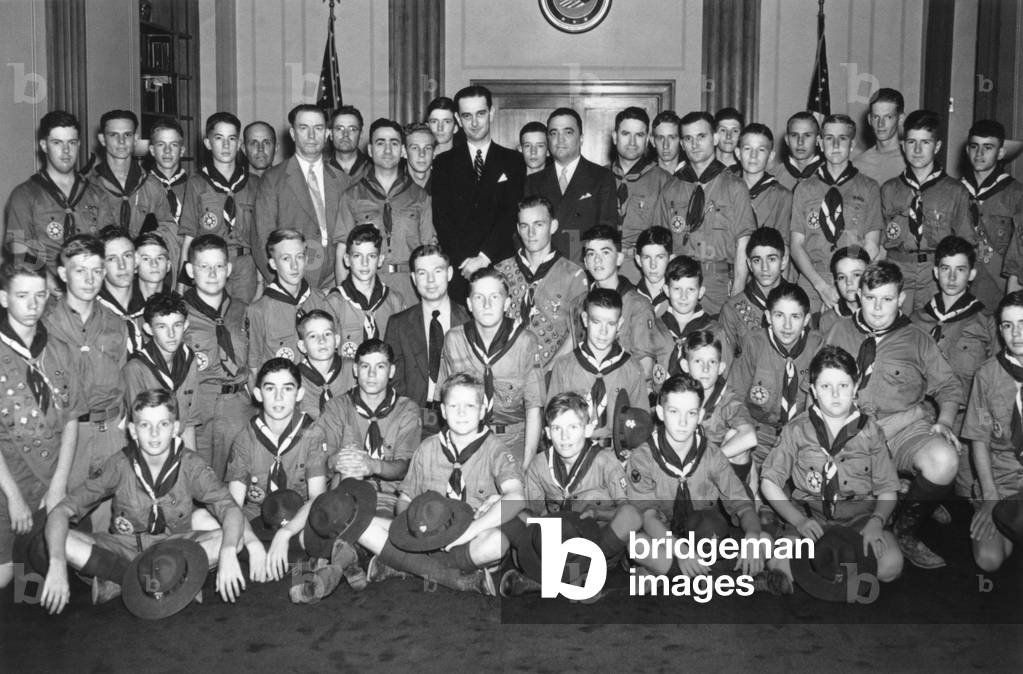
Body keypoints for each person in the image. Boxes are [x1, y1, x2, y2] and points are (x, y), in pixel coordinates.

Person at [39, 389, 248, 614]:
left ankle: (118, 581)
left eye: (163, 424)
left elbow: (230, 508)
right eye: (145, 425)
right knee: (63, 540)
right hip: (124, 547)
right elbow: (61, 512)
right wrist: (57, 563)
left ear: (176, 428)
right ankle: (174, 581)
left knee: (234, 539)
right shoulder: (119, 464)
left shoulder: (191, 464)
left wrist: (226, 551)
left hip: (174, 546)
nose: (155, 434)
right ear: (133, 430)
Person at [825, 261, 963, 568]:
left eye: (887, 299)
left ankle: (907, 529)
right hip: (852, 434)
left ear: (900, 299)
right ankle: (904, 497)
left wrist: (944, 422)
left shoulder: (917, 338)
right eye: (871, 297)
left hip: (903, 430)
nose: (877, 307)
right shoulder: (838, 330)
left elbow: (949, 386)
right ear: (858, 294)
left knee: (944, 460)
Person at [760, 345, 904, 589]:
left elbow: (888, 488)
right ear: (814, 391)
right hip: (811, 519)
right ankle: (830, 568)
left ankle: (832, 569)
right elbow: (769, 482)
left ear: (856, 387)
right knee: (779, 564)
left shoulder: (870, 431)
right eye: (826, 387)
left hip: (859, 520)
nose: (835, 394)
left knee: (891, 566)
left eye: (844, 386)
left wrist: (877, 521)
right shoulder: (797, 430)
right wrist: (798, 521)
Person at [626, 373, 769, 581]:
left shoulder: (711, 454)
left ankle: (674, 575)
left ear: (701, 415)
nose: (683, 422)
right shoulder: (643, 457)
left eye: (691, 413)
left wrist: (753, 537)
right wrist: (680, 550)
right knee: (637, 547)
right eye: (674, 412)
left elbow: (743, 505)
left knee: (763, 540)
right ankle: (718, 575)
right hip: (665, 537)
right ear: (660, 412)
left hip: (707, 533)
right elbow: (648, 517)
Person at [501, 392, 642, 595]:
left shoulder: (606, 461)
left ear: (587, 429)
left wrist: (599, 513)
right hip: (559, 544)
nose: (565, 437)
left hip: (598, 543)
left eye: (573, 427)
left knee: (631, 516)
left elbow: (625, 509)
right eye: (557, 428)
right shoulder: (539, 465)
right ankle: (576, 583)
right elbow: (533, 514)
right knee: (505, 509)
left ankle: (543, 583)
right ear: (547, 432)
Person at [395, 373, 525, 588]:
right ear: (443, 411)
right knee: (372, 526)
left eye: (470, 406)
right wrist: (412, 531)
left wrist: (468, 533)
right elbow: (405, 499)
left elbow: (516, 497)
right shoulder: (427, 448)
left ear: (483, 410)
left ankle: (418, 566)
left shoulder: (496, 449)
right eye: (454, 406)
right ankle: (451, 570)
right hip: (428, 536)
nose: (462, 413)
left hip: (471, 535)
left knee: (497, 543)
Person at [0, 261, 84, 590]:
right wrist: (13, 496)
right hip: (8, 480)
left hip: (53, 478)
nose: (33, 305)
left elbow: (73, 418)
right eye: (23, 296)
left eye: (40, 296)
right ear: (4, 299)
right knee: (7, 572)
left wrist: (59, 485)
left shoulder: (59, 351)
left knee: (41, 572)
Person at [44, 236, 128, 505]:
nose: (89, 279)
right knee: (60, 514)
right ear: (62, 274)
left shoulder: (116, 323)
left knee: (111, 520)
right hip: (68, 437)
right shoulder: (45, 325)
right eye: (80, 270)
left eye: (96, 270)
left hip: (112, 432)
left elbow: (124, 377)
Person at [910, 235, 997, 494]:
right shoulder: (916, 320)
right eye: (945, 269)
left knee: (969, 493)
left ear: (971, 274)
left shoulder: (984, 322)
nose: (951, 277)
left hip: (966, 423)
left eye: (960, 270)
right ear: (935, 272)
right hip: (920, 419)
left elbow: (994, 380)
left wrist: (985, 426)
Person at [437, 267, 544, 466]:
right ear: (469, 304)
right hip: (466, 435)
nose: (486, 304)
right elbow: (446, 402)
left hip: (513, 439)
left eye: (494, 297)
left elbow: (533, 408)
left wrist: (527, 466)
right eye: (479, 297)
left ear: (507, 303)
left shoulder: (525, 342)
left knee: (513, 495)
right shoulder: (454, 339)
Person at [431, 85, 526, 303]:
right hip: (459, 269)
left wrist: (483, 258)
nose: (474, 123)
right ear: (457, 118)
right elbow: (442, 219)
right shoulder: (444, 163)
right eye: (467, 116)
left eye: (480, 114)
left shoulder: (512, 161)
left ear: (491, 113)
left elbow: (510, 214)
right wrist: (465, 261)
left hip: (500, 265)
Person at [226, 358, 328, 557]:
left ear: (299, 394)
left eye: (287, 389)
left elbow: (316, 497)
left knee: (317, 539)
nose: (279, 397)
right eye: (270, 388)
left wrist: (285, 533)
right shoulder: (245, 439)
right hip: (258, 520)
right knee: (242, 554)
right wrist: (251, 541)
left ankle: (303, 577)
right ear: (258, 394)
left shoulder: (312, 434)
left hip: (300, 521)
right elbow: (234, 505)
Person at [658, 110, 755, 313]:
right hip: (680, 282)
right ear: (682, 144)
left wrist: (738, 287)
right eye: (688, 138)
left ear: (716, 138)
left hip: (720, 282)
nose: (695, 144)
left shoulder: (735, 187)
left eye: (701, 136)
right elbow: (661, 244)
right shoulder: (671, 188)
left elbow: (744, 241)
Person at [880, 109, 973, 314]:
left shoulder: (955, 191)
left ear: (937, 146)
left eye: (926, 142)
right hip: (898, 266)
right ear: (903, 146)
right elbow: (880, 240)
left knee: (931, 329)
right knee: (895, 329)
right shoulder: (889, 189)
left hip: (935, 272)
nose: (918, 149)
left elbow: (966, 243)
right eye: (912, 142)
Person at [3, 111, 110, 288]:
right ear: (44, 145)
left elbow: (108, 244)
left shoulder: (96, 193)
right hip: (46, 291)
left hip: (92, 288)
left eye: (72, 143)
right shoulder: (24, 195)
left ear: (79, 144)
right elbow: (19, 248)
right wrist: (51, 284)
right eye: (57, 143)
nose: (66, 151)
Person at [317, 339, 421, 517]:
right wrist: (339, 460)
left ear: (391, 371)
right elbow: (322, 463)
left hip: (388, 496)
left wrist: (373, 466)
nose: (372, 374)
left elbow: (405, 467)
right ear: (356, 370)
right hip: (343, 493)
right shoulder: (336, 407)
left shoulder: (407, 409)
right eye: (365, 366)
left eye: (380, 366)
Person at [790, 114, 882, 313]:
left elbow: (872, 244)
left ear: (852, 144)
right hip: (812, 278)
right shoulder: (804, 188)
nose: (836, 144)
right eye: (829, 138)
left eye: (843, 138)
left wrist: (848, 285)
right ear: (821, 143)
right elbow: (796, 245)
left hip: (853, 280)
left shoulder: (869, 187)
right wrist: (821, 286)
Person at [335, 118, 436, 299]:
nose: (388, 150)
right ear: (371, 150)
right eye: (381, 143)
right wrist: (344, 298)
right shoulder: (352, 196)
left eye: (394, 143)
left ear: (403, 150)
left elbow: (429, 251)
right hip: (367, 285)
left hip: (410, 288)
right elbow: (343, 251)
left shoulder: (420, 196)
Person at [255, 103, 352, 291]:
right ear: (292, 134)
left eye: (318, 128)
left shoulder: (342, 180)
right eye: (303, 128)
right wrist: (282, 285)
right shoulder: (273, 179)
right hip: (293, 279)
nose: (311, 135)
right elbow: (262, 239)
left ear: (327, 134)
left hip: (335, 279)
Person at [181, 234, 252, 479]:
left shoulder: (243, 309)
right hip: (199, 408)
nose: (212, 274)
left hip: (238, 407)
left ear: (229, 269)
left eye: (219, 266)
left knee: (238, 481)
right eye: (204, 266)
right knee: (199, 481)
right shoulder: (179, 315)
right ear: (190, 270)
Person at [962, 291, 1023, 572]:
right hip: (1002, 482)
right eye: (1008, 325)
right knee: (990, 560)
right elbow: (980, 440)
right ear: (1000, 330)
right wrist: (990, 496)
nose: (1016, 333)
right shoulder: (987, 376)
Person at [730, 284, 822, 468]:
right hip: (760, 431)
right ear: (768, 317)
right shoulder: (754, 343)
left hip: (801, 434)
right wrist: (745, 428)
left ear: (806, 320)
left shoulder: (818, 345)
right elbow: (734, 395)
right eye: (779, 315)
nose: (787, 326)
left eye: (795, 317)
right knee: (735, 448)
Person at [495, 196, 588, 370]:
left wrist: (546, 373)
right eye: (524, 226)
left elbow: (576, 335)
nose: (531, 233)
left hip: (551, 374)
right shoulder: (501, 271)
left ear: (553, 226)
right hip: (505, 372)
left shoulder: (573, 275)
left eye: (539, 225)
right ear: (518, 229)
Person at [87, 110, 180, 282]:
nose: (121, 141)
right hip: (101, 274)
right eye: (114, 135)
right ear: (102, 139)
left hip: (142, 274)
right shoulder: (87, 186)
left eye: (127, 135)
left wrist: (149, 242)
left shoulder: (151, 184)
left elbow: (170, 229)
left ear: (135, 138)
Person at [549, 288, 649, 447]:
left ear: (620, 324)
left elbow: (641, 425)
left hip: (616, 456)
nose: (603, 332)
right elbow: (552, 421)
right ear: (584, 319)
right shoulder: (564, 367)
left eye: (611, 323)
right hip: (574, 452)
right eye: (596, 322)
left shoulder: (632, 369)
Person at [179, 112, 260, 302]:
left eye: (231, 139)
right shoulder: (197, 184)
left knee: (241, 323)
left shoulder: (254, 184)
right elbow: (189, 239)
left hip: (245, 268)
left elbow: (260, 238)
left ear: (239, 144)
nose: (225, 145)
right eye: (219, 138)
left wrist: (261, 281)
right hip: (210, 267)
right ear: (208, 143)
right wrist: (181, 285)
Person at [384, 244, 470, 418]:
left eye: (437, 271)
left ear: (450, 273)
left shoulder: (469, 321)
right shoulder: (398, 324)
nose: (430, 280)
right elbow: (392, 380)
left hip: (460, 417)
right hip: (413, 418)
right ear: (414, 279)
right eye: (422, 273)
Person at [525, 107, 619, 261]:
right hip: (543, 269)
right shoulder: (533, 182)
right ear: (548, 139)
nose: (560, 139)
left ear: (581, 138)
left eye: (568, 132)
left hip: (584, 268)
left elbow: (607, 233)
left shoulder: (601, 178)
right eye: (554, 133)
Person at [572, 225, 658, 381]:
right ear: (585, 261)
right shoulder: (579, 303)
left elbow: (645, 369)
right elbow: (571, 350)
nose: (597, 260)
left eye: (605, 252)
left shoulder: (637, 306)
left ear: (619, 258)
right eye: (591, 254)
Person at [122, 291, 201, 452]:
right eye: (162, 326)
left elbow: (188, 424)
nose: (171, 334)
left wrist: (193, 467)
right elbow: (140, 432)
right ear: (149, 329)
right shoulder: (136, 368)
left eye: (177, 325)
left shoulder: (189, 360)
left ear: (186, 326)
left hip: (180, 449)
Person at [246, 229, 330, 376]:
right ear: (273, 263)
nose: (294, 266)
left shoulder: (321, 300)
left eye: (299, 257)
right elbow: (254, 370)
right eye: (286, 258)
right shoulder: (259, 310)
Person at [678, 331, 757, 482]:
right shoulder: (676, 394)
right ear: (685, 365)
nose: (705, 369)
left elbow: (750, 437)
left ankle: (736, 501)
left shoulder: (728, 400)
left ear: (721, 368)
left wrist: (709, 461)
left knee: (735, 438)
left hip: (717, 470)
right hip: (685, 465)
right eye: (698, 361)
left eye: (712, 362)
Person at [961, 119, 1023, 309]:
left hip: (997, 289)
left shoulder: (1016, 194)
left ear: (1001, 152)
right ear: (967, 150)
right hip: (960, 286)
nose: (979, 154)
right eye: (974, 146)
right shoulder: (954, 191)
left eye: (988, 147)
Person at [326, 224, 407, 360]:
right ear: (347, 259)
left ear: (380, 260)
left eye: (371, 256)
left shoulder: (395, 301)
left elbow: (401, 354)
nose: (364, 263)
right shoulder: (333, 303)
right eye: (357, 256)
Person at [611, 107, 671, 285]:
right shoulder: (597, 177)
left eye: (639, 135)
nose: (632, 141)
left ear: (648, 140)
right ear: (615, 137)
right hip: (604, 269)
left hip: (643, 274)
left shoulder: (665, 181)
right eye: (625, 134)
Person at [650, 255, 729, 388]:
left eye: (690, 290)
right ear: (666, 290)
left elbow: (725, 378)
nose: (683, 296)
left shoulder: (716, 331)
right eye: (677, 289)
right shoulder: (654, 328)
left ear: (700, 292)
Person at [718, 226, 791, 358]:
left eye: (772, 259)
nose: (765, 268)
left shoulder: (797, 302)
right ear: (749, 265)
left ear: (784, 261)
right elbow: (725, 361)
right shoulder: (732, 309)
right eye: (757, 260)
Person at [294, 309, 353, 419]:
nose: (322, 340)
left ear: (337, 340)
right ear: (302, 346)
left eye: (327, 334)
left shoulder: (353, 369)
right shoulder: (294, 379)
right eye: (313, 336)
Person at [97, 226, 146, 353]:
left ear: (136, 260)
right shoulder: (89, 315)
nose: (122, 265)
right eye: (112, 259)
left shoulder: (152, 309)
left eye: (127, 256)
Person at [738, 123, 792, 240]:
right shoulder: (726, 190)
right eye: (747, 148)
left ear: (771, 156)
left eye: (761, 150)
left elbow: (784, 242)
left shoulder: (782, 196)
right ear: (738, 153)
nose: (753, 155)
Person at [852, 88, 906, 186]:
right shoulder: (859, 165)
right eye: (876, 117)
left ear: (900, 119)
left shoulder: (913, 159)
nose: (880, 124)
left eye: (888, 117)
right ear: (869, 119)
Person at [818, 245, 870, 336]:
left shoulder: (881, 313)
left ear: (869, 275)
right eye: (841, 277)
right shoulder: (828, 320)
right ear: (836, 281)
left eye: (856, 275)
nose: (849, 282)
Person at [147, 119, 188, 231]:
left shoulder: (194, 187)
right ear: (152, 150)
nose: (167, 151)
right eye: (161, 144)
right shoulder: (142, 187)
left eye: (174, 145)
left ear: (182, 150)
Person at [773, 111, 824, 192]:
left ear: (817, 140)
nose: (800, 142)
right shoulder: (774, 177)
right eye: (794, 135)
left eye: (807, 135)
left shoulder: (829, 176)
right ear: (787, 140)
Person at [633, 225, 672, 316]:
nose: (653, 265)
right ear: (639, 260)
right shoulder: (628, 299)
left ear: (670, 259)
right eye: (647, 257)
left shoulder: (680, 301)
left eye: (660, 257)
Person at [329, 105, 371, 182]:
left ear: (361, 135)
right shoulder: (319, 170)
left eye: (352, 129)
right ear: (331, 134)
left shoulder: (374, 170)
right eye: (339, 128)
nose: (345, 134)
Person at [650, 111, 684, 177]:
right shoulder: (643, 176)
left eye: (672, 137)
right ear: (652, 141)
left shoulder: (692, 177)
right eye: (660, 138)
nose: (665, 145)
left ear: (680, 140)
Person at [403, 122, 436, 192]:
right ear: (404, 152)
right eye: (415, 148)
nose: (422, 154)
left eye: (427, 148)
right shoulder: (393, 189)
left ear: (434, 153)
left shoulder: (447, 186)